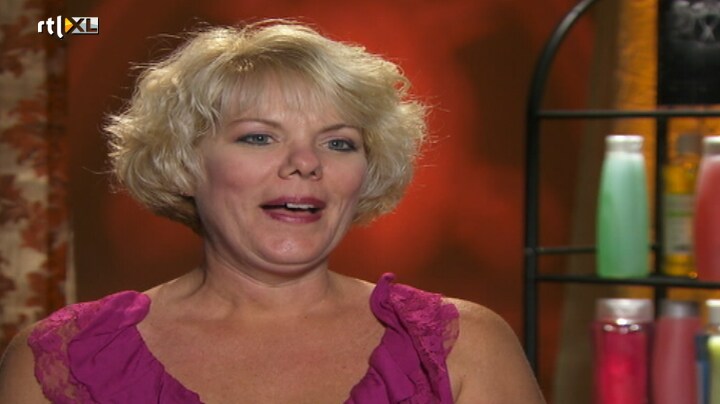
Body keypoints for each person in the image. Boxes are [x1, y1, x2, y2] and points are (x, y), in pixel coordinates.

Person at [0, 20, 544, 403]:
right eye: (259, 137)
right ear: (185, 163)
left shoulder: (461, 347)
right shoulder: (61, 359)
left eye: (338, 143)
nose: (306, 163)